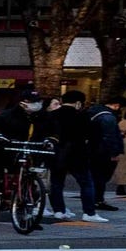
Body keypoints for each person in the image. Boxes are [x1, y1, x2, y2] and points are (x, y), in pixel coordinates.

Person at [46, 89, 98, 220]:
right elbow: (91, 135)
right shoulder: (82, 116)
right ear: (78, 103)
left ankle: (59, 210)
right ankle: (89, 212)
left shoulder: (52, 115)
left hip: (56, 153)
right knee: (86, 183)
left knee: (56, 183)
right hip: (78, 153)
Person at [86, 95, 124, 212]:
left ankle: (94, 199)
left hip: (91, 149)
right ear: (116, 105)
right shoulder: (108, 117)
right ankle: (98, 200)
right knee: (102, 177)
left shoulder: (92, 112)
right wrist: (114, 152)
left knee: (94, 176)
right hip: (103, 152)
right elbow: (109, 136)